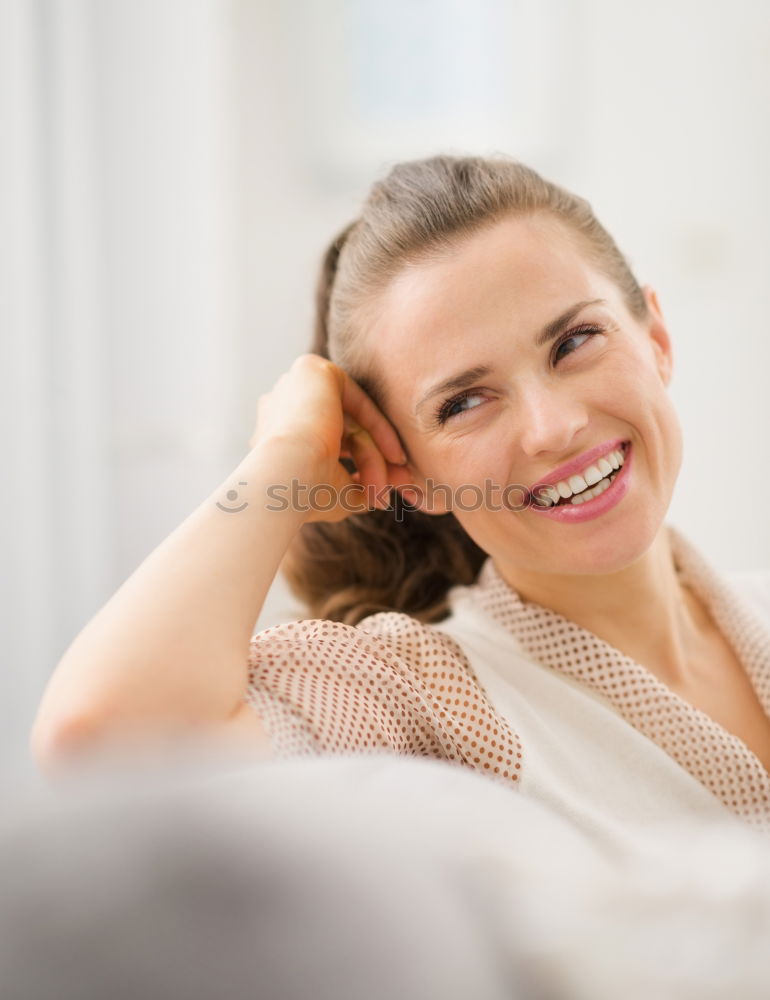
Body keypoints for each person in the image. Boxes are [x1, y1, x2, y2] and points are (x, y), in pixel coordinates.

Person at [30, 154, 770, 847]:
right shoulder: (431, 698)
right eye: (465, 402)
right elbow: (101, 741)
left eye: (575, 341)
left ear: (658, 338)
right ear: (406, 472)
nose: (555, 428)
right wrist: (281, 460)